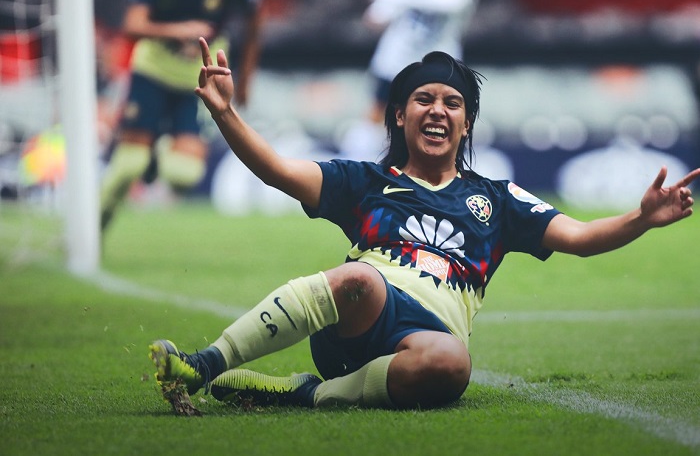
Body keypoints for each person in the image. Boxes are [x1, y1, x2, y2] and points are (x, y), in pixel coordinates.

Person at [148, 39, 700, 411]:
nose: (438, 110)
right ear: (399, 114)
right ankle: (203, 364)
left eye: (453, 103)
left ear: (467, 124)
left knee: (454, 365)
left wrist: (642, 219)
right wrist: (224, 112)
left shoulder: (499, 199)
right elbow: (277, 170)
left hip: (427, 341)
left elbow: (579, 237)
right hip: (358, 321)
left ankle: (308, 395)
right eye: (423, 99)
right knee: (358, 278)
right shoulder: (367, 180)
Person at [99, 0, 263, 231]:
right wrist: (178, 30)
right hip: (152, 73)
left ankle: (156, 155)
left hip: (198, 80)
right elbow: (132, 25)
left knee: (184, 173)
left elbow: (255, 20)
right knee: (130, 165)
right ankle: (93, 226)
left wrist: (246, 79)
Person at [338, 0, 482, 161]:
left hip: (441, 64)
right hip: (395, 63)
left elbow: (453, 2)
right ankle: (360, 161)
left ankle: (447, 163)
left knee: (443, 114)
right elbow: (375, 18)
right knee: (379, 113)